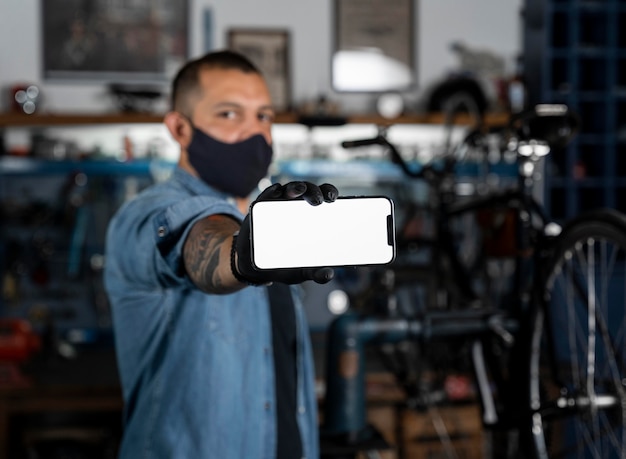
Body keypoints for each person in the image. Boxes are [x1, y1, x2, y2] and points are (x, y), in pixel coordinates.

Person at [104, 50, 338, 459]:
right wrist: (244, 256)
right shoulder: (145, 214)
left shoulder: (271, 221)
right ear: (180, 127)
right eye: (229, 115)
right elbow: (202, 242)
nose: (253, 132)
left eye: (264, 116)